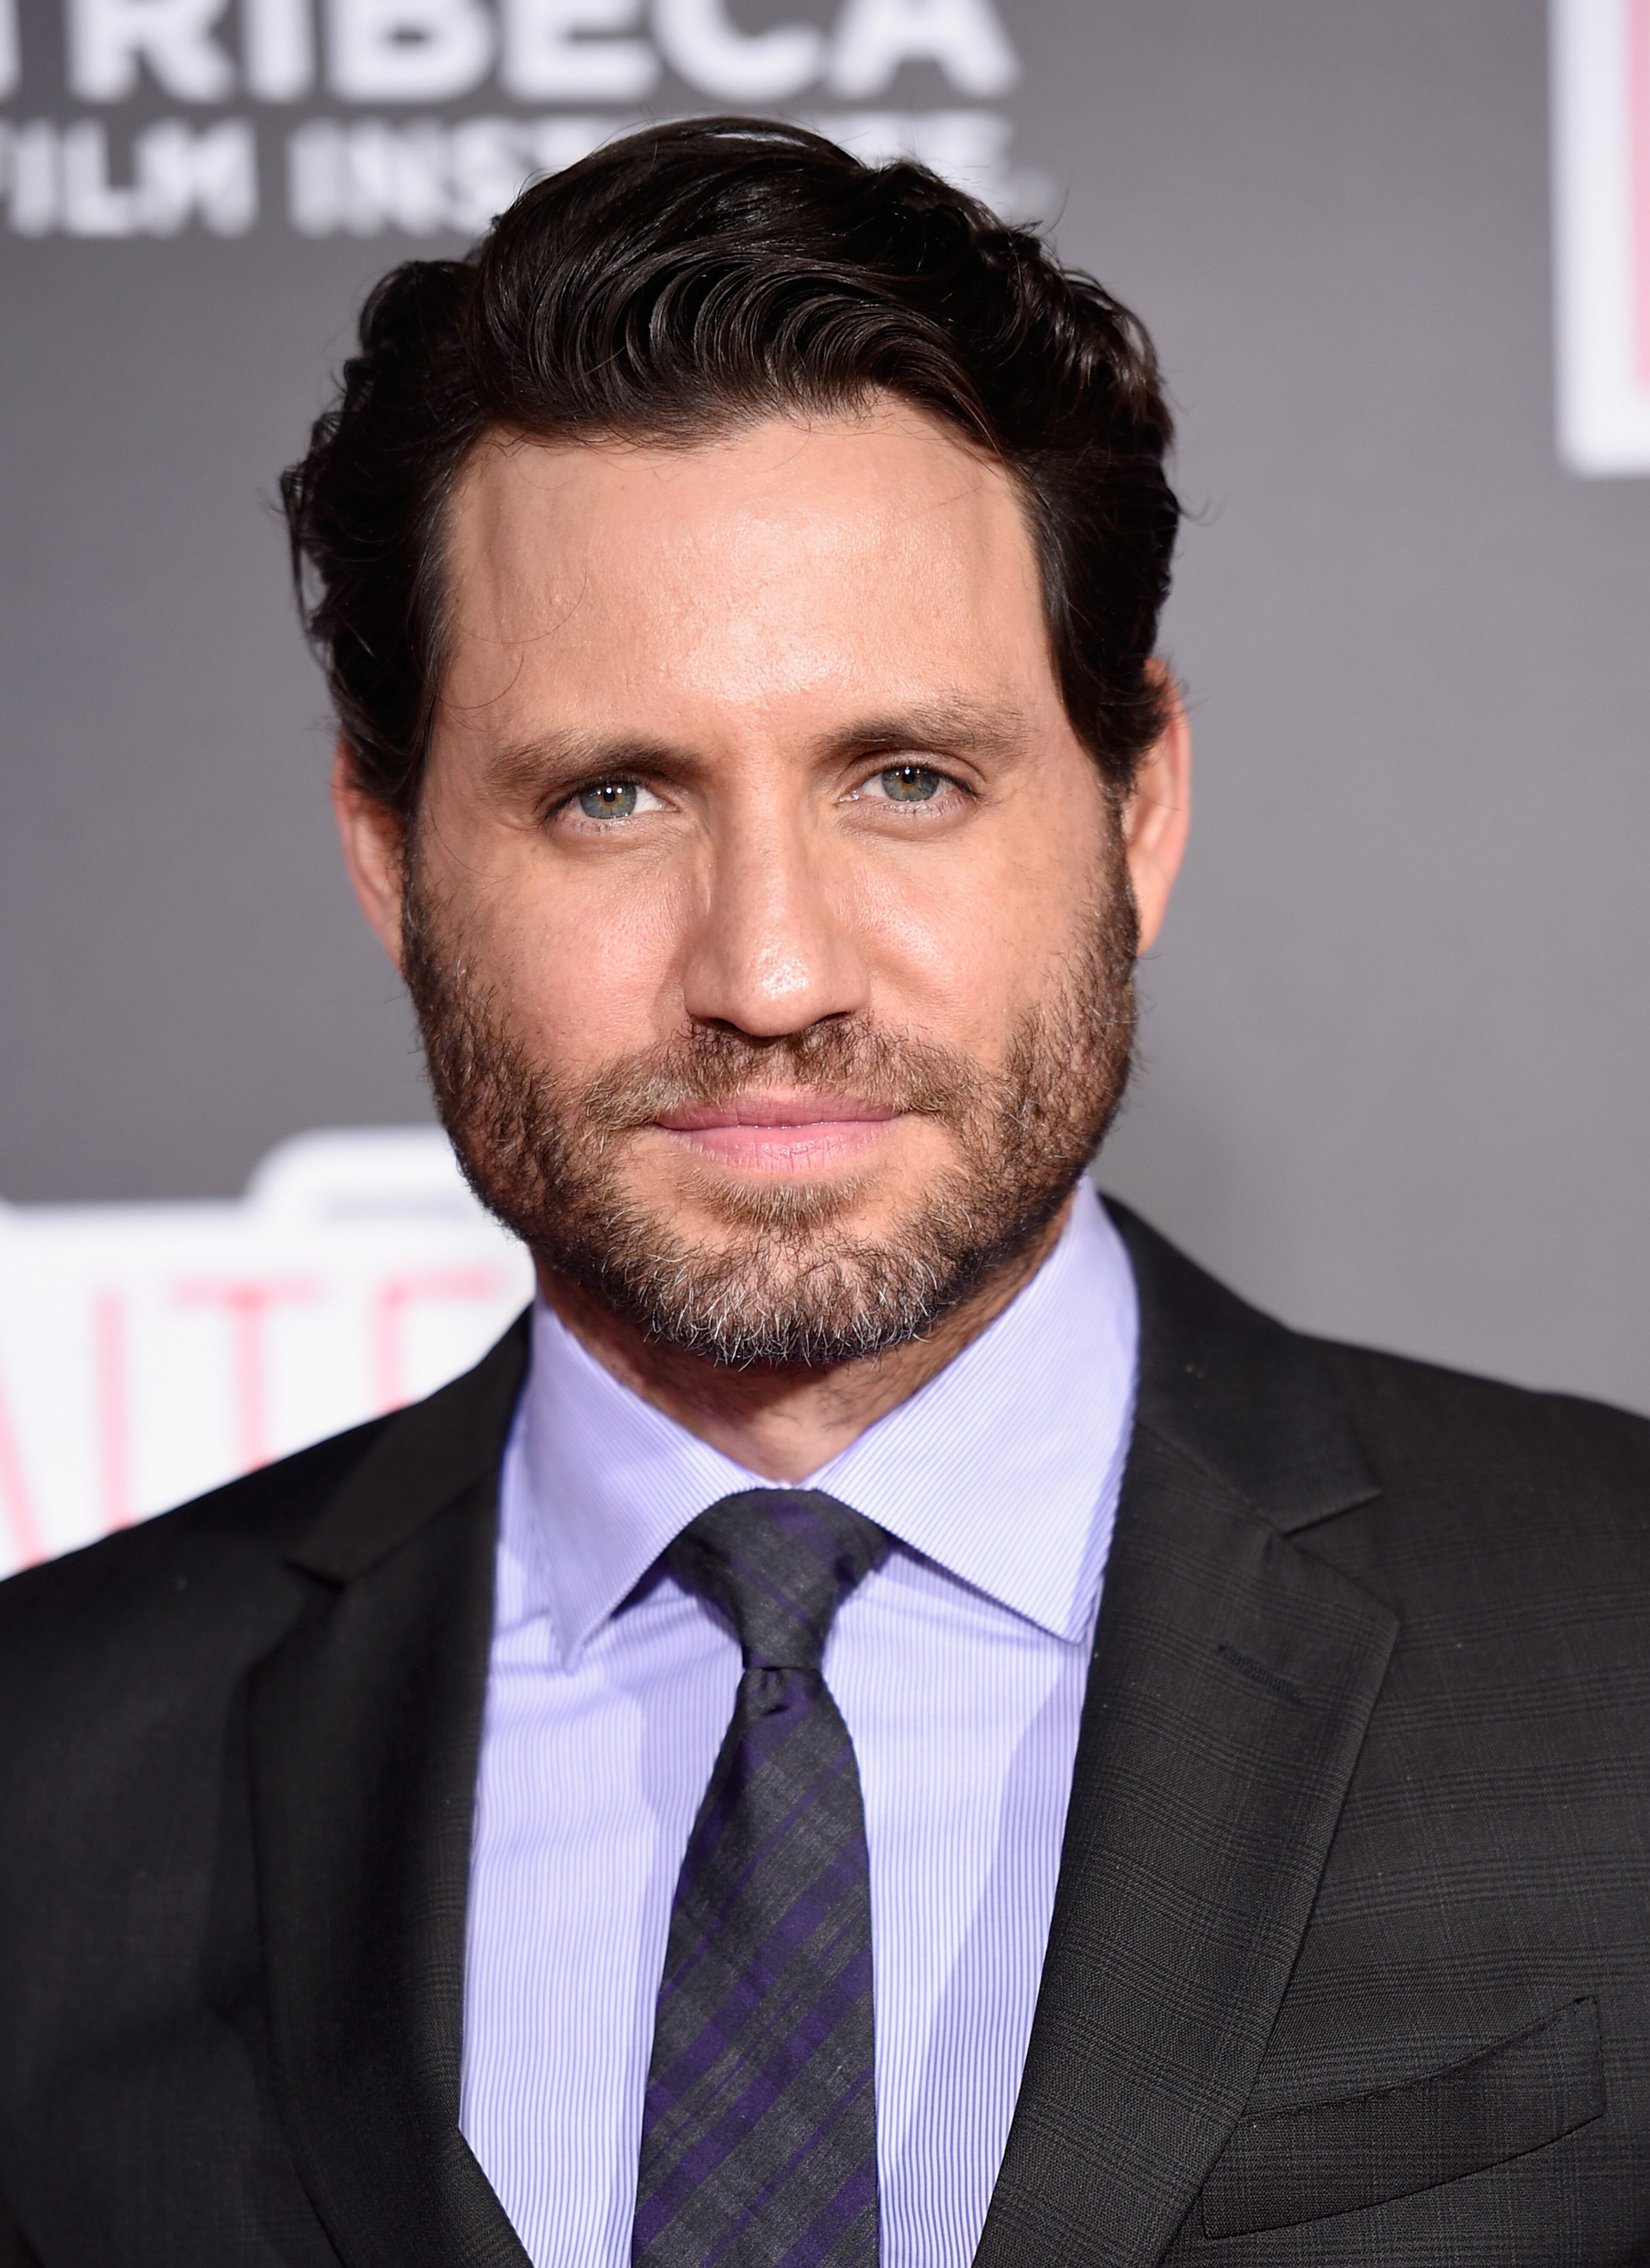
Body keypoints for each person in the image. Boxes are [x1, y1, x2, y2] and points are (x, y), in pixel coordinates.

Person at [0, 114, 1647, 2268]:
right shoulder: (44, 1788)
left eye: (907, 780)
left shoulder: (1619, 1656)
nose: (770, 973)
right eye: (611, 795)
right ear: (391, 858)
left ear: (1136, 805)